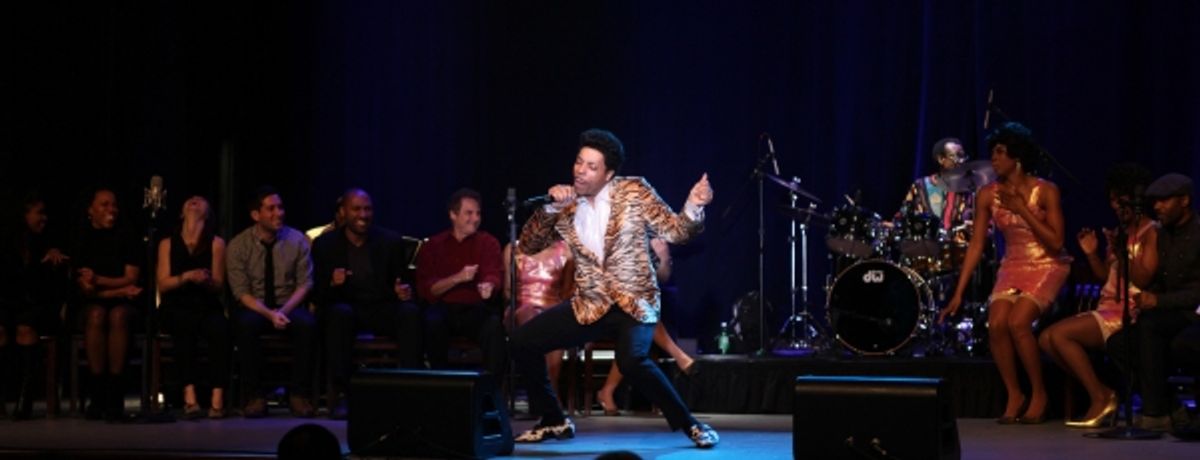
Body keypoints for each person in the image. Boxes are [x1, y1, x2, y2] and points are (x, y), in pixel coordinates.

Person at [510, 128, 719, 448]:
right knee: (523, 341)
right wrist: (550, 209)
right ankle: (554, 420)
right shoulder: (565, 205)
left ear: (608, 173)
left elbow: (676, 232)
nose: (581, 171)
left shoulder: (634, 191)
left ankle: (690, 424)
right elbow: (528, 244)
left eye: (591, 166)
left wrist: (693, 205)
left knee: (633, 361)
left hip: (634, 301)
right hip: (590, 303)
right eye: (579, 162)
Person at [938, 122, 1071, 424]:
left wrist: (1022, 209)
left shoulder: (1046, 191)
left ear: (1017, 157)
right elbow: (975, 246)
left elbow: (1056, 242)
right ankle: (1015, 393)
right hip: (1013, 265)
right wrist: (958, 293)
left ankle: (1039, 392)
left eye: (999, 153)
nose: (993, 160)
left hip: (1048, 264)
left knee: (1018, 322)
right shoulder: (987, 194)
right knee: (996, 324)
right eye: (993, 153)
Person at [1038, 164, 1156, 428]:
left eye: (1120, 200)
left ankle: (1100, 397)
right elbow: (1105, 277)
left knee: (1059, 335)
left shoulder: (1151, 232)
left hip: (1131, 310)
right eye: (1112, 200)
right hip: (1108, 305)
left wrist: (1121, 251)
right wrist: (1091, 252)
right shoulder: (1119, 232)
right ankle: (1104, 389)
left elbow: (1143, 279)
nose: (1115, 205)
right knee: (1045, 340)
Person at [313, 188, 421, 420]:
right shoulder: (325, 244)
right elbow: (317, 294)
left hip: (380, 306)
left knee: (410, 313)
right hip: (346, 307)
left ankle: (411, 387)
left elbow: (402, 282)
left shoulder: (389, 241)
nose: (363, 214)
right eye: (357, 209)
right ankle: (342, 392)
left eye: (367, 209)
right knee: (339, 315)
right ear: (343, 212)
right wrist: (332, 283)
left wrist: (402, 292)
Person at [1106, 173, 1200, 431]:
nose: (1157, 207)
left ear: (1184, 200)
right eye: (1154, 201)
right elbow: (1152, 280)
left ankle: (1155, 413)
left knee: (1152, 326)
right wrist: (1123, 257)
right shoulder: (1162, 234)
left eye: (1164, 201)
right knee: (1119, 344)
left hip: (1192, 313)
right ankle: (1168, 407)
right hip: (1169, 313)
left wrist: (1158, 300)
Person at [227, 186, 316, 418]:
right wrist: (269, 314)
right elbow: (241, 292)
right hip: (255, 306)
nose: (279, 213)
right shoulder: (238, 245)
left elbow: (305, 284)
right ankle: (255, 396)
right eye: (271, 208)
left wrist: (282, 312)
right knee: (245, 325)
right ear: (256, 215)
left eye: (281, 207)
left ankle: (298, 394)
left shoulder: (297, 240)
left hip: (288, 304)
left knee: (307, 325)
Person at [595, 237, 696, 416]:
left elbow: (661, 279)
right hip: (600, 306)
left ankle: (607, 391)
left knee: (639, 316)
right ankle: (678, 355)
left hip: (630, 310)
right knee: (641, 314)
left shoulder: (649, 239)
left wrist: (664, 258)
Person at [415, 188, 505, 375]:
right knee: (432, 322)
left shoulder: (488, 243)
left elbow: (493, 274)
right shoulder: (434, 245)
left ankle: (491, 391)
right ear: (453, 215)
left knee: (494, 325)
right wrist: (458, 278)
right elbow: (427, 289)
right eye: (469, 213)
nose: (475, 218)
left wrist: (489, 286)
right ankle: (441, 385)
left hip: (476, 309)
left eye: (478, 213)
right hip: (444, 309)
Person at [72, 187, 144, 421]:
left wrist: (101, 281)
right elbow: (87, 289)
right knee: (96, 315)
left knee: (118, 316)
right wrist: (120, 289)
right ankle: (97, 392)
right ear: (90, 210)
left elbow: (132, 278)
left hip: (125, 304)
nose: (111, 209)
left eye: (113, 204)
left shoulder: (127, 234)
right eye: (104, 205)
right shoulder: (81, 237)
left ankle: (115, 394)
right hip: (92, 302)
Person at [156, 195, 230, 420]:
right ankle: (190, 394)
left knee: (220, 328)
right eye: (189, 200)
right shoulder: (167, 243)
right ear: (181, 212)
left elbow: (218, 285)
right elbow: (163, 284)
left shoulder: (216, 243)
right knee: (183, 324)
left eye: (200, 200)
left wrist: (206, 280)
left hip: (205, 303)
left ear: (207, 214)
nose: (194, 201)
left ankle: (218, 395)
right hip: (176, 304)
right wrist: (188, 276)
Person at [0, 193, 69, 420]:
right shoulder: (9, 242)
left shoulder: (47, 242)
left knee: (25, 327)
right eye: (39, 212)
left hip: (39, 307)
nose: (44, 218)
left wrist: (51, 261)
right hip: (11, 305)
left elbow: (51, 289)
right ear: (25, 214)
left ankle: (25, 398)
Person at [502, 239, 573, 407]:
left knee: (556, 323)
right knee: (531, 316)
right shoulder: (513, 248)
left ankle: (550, 392)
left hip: (552, 309)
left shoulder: (566, 251)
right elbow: (507, 291)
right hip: (521, 308)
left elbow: (566, 292)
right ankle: (540, 392)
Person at [896, 137, 974, 237]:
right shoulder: (921, 186)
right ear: (941, 159)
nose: (961, 161)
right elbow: (903, 217)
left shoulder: (970, 188)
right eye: (957, 156)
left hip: (959, 248)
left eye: (963, 156)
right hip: (925, 247)